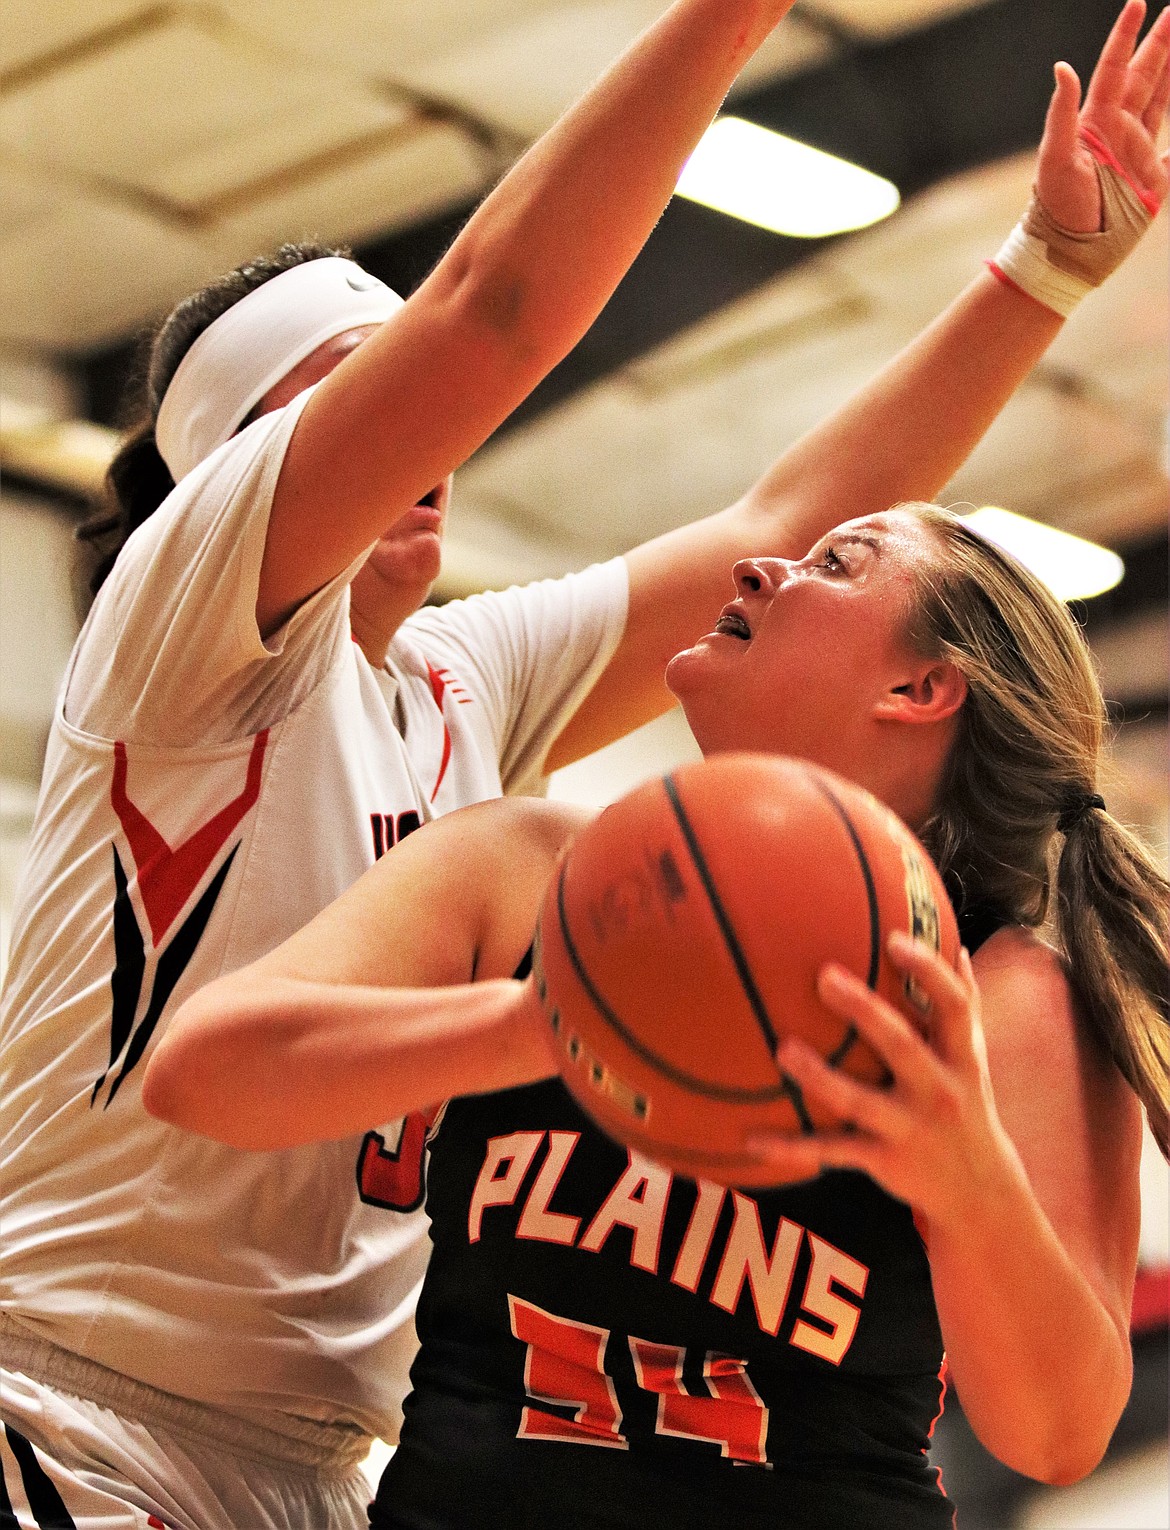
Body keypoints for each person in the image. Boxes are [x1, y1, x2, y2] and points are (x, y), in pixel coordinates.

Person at [1, 0, 1164, 1522]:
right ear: (236, 469)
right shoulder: (192, 625)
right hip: (76, 1404)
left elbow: (775, 535)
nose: (429, 420)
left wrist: (1046, 270)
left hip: (312, 1465)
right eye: (354, 392)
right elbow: (491, 314)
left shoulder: (461, 681)